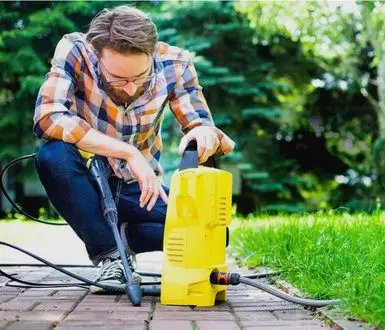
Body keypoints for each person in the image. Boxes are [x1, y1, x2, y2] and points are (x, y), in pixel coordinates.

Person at [31, 5, 235, 293]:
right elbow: (47, 117)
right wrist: (127, 152)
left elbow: (203, 125)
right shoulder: (75, 50)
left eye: (139, 78)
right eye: (118, 79)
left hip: (140, 188)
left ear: (152, 54)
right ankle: (111, 257)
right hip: (87, 180)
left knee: (214, 235)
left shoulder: (176, 64)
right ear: (96, 53)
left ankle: (122, 238)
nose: (129, 88)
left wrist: (202, 133)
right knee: (52, 156)